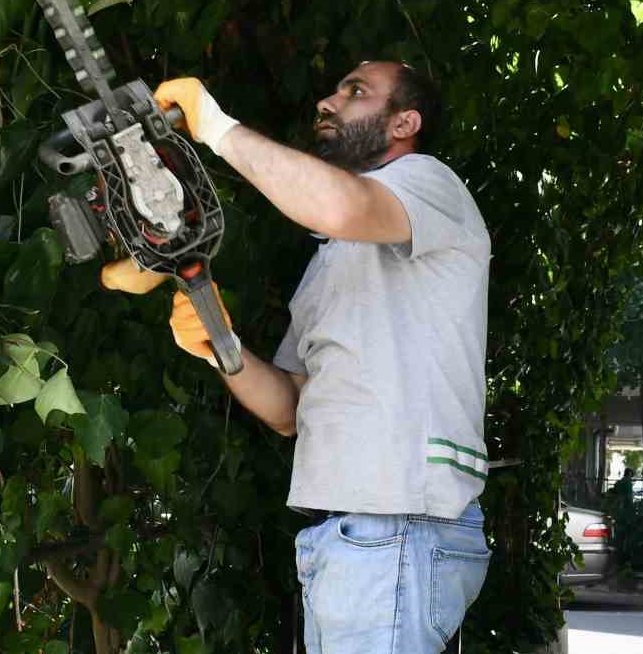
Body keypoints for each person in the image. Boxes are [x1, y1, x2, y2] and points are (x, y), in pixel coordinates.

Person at [103, 61, 492, 654]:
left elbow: (338, 205)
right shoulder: (333, 259)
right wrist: (222, 351)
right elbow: (290, 408)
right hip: (348, 537)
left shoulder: (429, 184)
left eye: (355, 91)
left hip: (399, 528)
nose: (328, 102)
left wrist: (215, 126)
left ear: (404, 123)